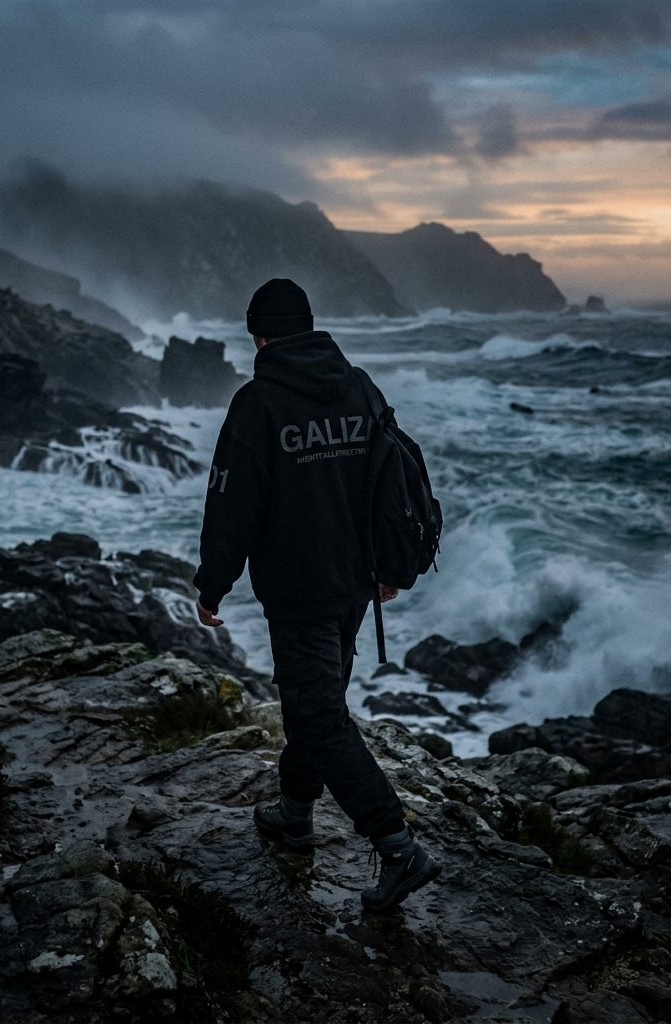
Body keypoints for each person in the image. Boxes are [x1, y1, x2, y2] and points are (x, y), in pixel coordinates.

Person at [193, 278, 442, 912]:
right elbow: (393, 480)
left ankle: (397, 847)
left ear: (260, 336)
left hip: (300, 588)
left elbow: (231, 505)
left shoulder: (258, 404)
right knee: (316, 705)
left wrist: (211, 582)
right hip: (354, 584)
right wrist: (391, 565)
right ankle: (295, 815)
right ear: (310, 326)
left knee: (318, 714)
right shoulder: (359, 386)